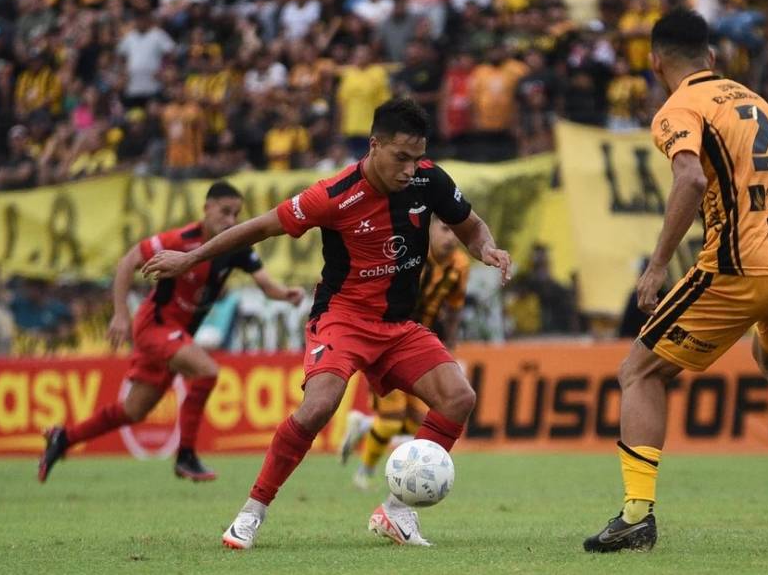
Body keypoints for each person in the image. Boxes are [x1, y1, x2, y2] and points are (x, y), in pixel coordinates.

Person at [143, 98, 512, 549]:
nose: (409, 168)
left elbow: (470, 226)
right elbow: (259, 228)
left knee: (458, 397)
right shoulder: (332, 195)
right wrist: (191, 258)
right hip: (343, 320)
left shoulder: (428, 179)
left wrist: (488, 249)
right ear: (374, 145)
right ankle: (251, 513)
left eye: (417, 157)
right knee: (319, 406)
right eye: (401, 157)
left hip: (398, 326)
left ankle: (397, 512)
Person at [583, 9, 768, 553]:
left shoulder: (679, 107)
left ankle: (636, 515)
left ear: (655, 61)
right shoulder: (758, 103)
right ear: (711, 56)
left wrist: (658, 264)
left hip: (738, 265)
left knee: (638, 372)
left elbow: (688, 176)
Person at [37, 181, 305, 483]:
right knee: (206, 370)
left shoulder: (237, 246)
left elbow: (266, 285)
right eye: (225, 212)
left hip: (176, 336)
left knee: (134, 410)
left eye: (236, 214)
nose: (230, 220)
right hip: (155, 326)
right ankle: (186, 456)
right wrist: (121, 314)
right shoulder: (179, 240)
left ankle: (64, 438)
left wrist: (287, 294)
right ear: (206, 209)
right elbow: (128, 262)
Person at [340, 216, 471, 490]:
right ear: (430, 228)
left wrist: (451, 344)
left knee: (416, 424)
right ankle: (363, 473)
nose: (451, 237)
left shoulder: (460, 265)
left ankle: (363, 426)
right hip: (388, 343)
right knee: (390, 423)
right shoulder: (410, 254)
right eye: (445, 228)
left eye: (456, 231)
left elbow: (455, 307)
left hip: (422, 346)